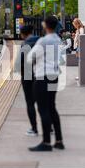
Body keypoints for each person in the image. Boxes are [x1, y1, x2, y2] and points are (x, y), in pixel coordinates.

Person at [26, 16, 64, 152]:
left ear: (45, 25)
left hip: (42, 77)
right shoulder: (58, 40)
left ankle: (46, 142)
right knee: (52, 107)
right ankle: (59, 140)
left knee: (43, 109)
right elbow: (61, 60)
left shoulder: (43, 41)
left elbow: (30, 58)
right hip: (54, 77)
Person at [18, 25, 40, 137]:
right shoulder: (41, 41)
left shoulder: (24, 44)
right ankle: (49, 126)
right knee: (43, 102)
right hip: (41, 74)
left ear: (23, 34)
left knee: (30, 103)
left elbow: (20, 63)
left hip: (27, 75)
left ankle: (34, 128)